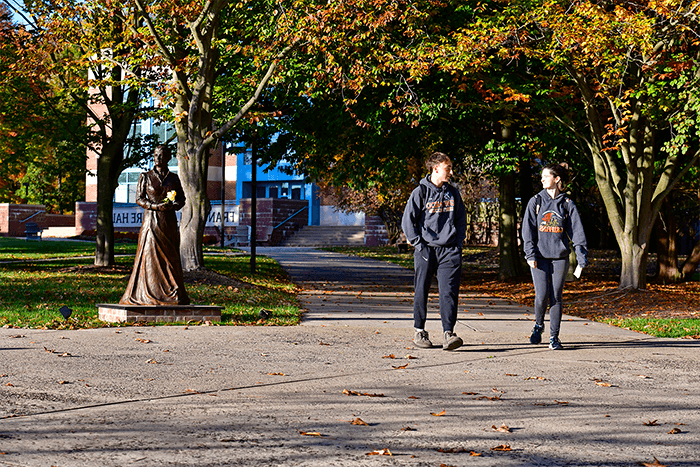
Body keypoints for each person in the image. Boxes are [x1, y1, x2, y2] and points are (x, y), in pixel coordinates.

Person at [401, 152, 467, 350]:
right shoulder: (420, 192)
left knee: (449, 292)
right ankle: (419, 331)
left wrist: (458, 244)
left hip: (449, 251)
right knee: (421, 290)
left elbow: (461, 220)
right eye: (448, 168)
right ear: (436, 168)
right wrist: (419, 245)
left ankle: (449, 333)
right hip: (426, 250)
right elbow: (408, 222)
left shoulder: (453, 193)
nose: (451, 172)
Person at [521, 163, 588, 350]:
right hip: (539, 257)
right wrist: (530, 254)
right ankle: (538, 324)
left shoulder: (567, 204)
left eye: (546, 176)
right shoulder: (536, 201)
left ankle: (554, 337)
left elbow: (577, 233)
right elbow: (528, 231)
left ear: (556, 179)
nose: (542, 179)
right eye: (541, 176)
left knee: (556, 296)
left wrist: (581, 258)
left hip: (560, 257)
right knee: (542, 296)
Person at [120, 145, 190, 306]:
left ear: (168, 158)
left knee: (170, 258)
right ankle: (148, 293)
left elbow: (182, 199)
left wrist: (174, 205)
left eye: (162, 155)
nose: (158, 158)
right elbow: (139, 198)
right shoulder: (146, 176)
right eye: (156, 155)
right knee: (150, 256)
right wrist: (154, 206)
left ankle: (172, 293)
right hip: (151, 222)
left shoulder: (173, 178)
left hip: (169, 223)